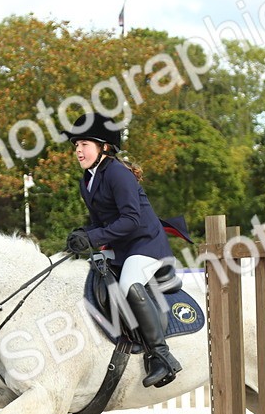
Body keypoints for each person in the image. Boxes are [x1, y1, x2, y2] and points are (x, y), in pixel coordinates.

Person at [61, 112, 181, 388]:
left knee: (128, 282)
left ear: (104, 147)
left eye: (84, 145)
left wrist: (93, 237)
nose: (78, 150)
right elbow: (100, 221)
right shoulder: (87, 179)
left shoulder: (117, 173)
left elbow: (131, 219)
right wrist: (83, 235)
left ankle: (162, 356)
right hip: (122, 248)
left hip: (146, 245)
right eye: (76, 145)